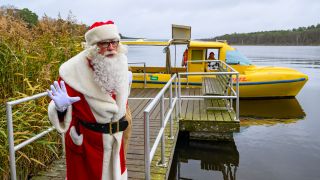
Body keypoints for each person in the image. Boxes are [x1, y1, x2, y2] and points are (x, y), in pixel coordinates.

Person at [47, 20, 131, 180]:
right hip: (87, 145)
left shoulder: (120, 61)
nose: (111, 47)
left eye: (114, 42)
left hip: (115, 141)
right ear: (93, 46)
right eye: (105, 43)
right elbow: (59, 103)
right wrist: (61, 109)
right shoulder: (71, 71)